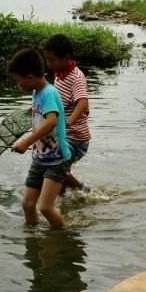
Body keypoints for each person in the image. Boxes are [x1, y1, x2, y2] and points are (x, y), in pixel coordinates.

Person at [8, 47, 71, 228]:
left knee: (45, 208)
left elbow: (51, 122)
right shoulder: (37, 92)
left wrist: (26, 141)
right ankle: (32, 239)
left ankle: (63, 239)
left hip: (57, 160)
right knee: (27, 205)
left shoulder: (49, 93)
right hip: (40, 158)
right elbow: (40, 120)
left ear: (30, 77)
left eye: (18, 81)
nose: (17, 85)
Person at [42, 35, 91, 193]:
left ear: (66, 57)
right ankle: (72, 199)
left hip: (75, 138)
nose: (49, 65)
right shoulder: (59, 75)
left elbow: (82, 102)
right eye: (47, 60)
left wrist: (68, 122)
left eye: (52, 60)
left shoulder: (76, 77)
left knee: (53, 167)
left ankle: (81, 190)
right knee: (57, 173)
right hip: (63, 135)